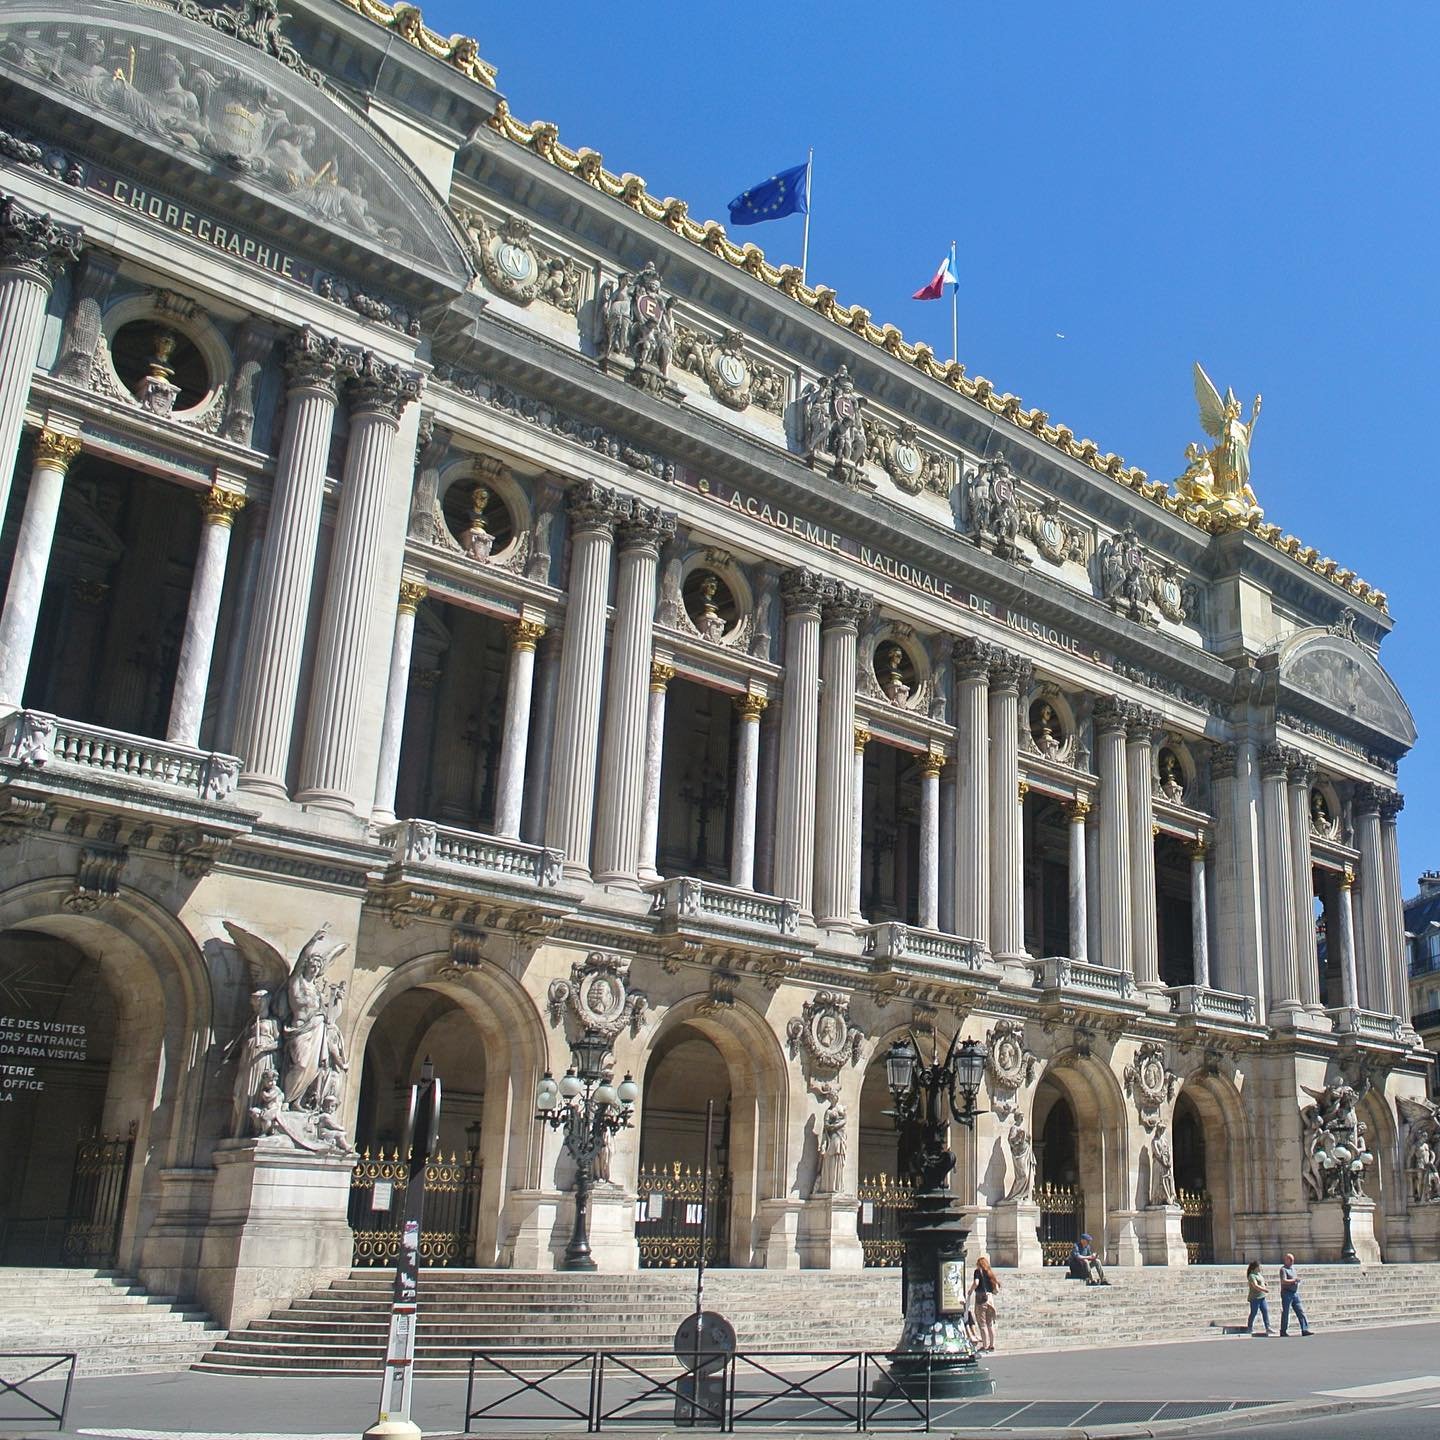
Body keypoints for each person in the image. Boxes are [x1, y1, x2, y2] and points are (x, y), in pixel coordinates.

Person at [967, 1254, 1001, 1354]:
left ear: (979, 1264)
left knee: (982, 1324)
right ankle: (992, 1345)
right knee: (990, 1323)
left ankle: (985, 1346)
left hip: (981, 1298)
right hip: (990, 1299)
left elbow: (976, 1283)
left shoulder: (978, 1271)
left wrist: (970, 1290)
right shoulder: (989, 1272)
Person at [1278, 1253, 1314, 1336]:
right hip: (1286, 1293)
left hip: (1294, 1293)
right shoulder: (1283, 1269)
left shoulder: (1293, 1269)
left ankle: (1304, 1329)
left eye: (1292, 1260)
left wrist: (1296, 1281)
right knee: (1286, 1312)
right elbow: (1283, 1281)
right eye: (1290, 1260)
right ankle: (1283, 1330)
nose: (1292, 1262)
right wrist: (1294, 1281)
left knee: (1300, 1311)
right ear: (1286, 1260)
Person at [1245, 1260, 1272, 1337]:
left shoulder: (1259, 1274)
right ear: (1255, 1267)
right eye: (1259, 1267)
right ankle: (1249, 1327)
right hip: (1255, 1297)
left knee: (1265, 1311)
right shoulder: (1252, 1276)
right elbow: (1255, 1286)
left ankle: (1268, 1327)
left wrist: (1265, 1284)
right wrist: (1264, 1289)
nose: (1260, 1268)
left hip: (1262, 1297)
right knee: (1254, 1312)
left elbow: (1261, 1282)